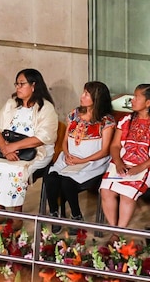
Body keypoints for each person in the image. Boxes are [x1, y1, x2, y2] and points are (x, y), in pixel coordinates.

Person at [0, 68, 58, 223]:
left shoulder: (46, 108)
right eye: (17, 84)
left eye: (22, 84)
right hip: (7, 148)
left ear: (34, 85)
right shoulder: (11, 104)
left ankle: (17, 216)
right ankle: (0, 212)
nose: (18, 87)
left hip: (36, 150)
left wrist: (13, 147)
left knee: (16, 170)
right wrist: (4, 148)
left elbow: (43, 137)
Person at [99, 83, 150, 228]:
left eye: (136, 97)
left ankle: (117, 233)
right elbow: (115, 146)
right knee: (106, 191)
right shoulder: (126, 120)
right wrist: (118, 162)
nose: (132, 100)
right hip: (124, 163)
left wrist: (140, 167)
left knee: (127, 193)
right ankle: (114, 228)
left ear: (148, 103)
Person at [44, 81, 116, 229]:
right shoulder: (73, 114)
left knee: (67, 181)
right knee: (50, 178)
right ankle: (54, 214)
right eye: (83, 92)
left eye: (86, 94)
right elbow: (64, 140)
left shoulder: (106, 121)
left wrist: (83, 160)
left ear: (97, 98)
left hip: (92, 162)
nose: (82, 96)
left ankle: (76, 216)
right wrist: (67, 154)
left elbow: (105, 150)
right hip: (69, 159)